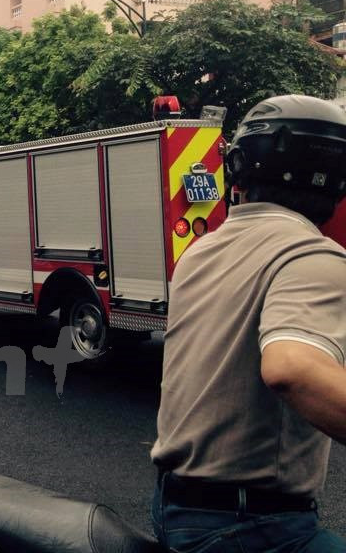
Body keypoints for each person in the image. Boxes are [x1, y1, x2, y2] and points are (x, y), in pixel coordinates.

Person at [151, 95, 346, 552]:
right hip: (251, 525)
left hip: (174, 506)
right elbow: (292, 368)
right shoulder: (311, 254)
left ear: (239, 171)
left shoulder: (202, 250)